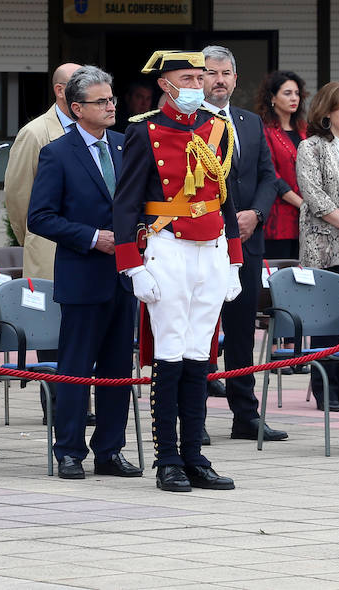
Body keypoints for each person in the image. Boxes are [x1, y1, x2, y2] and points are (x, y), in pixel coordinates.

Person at [113, 50, 243, 493]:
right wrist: (132, 266)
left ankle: (194, 455)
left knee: (200, 355)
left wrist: (235, 260)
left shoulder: (217, 126)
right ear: (166, 84)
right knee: (168, 354)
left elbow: (229, 198)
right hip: (167, 248)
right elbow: (126, 203)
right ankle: (167, 458)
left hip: (211, 249)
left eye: (199, 77)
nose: (196, 85)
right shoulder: (144, 129)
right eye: (187, 78)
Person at [27, 66, 142, 480]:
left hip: (125, 276)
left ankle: (110, 450)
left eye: (112, 99)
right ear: (77, 108)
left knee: (117, 370)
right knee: (75, 368)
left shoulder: (125, 145)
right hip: (82, 275)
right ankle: (69, 451)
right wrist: (93, 237)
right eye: (101, 101)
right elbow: (40, 217)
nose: (111, 106)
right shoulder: (57, 152)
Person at [201, 45, 286, 440]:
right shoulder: (188, 122)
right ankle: (192, 415)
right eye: (210, 73)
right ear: (198, 79)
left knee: (240, 331)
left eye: (225, 73)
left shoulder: (249, 122)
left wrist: (257, 214)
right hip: (202, 242)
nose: (219, 80)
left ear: (236, 79)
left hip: (247, 242)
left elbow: (269, 178)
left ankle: (245, 415)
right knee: (198, 330)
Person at [294, 81, 339, 412]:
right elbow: (314, 195)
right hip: (325, 244)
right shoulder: (312, 147)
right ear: (328, 111)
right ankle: (324, 387)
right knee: (327, 320)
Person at [5, 62, 81, 280]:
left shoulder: (95, 130)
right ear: (60, 90)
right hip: (49, 249)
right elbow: (18, 198)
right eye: (81, 84)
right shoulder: (34, 133)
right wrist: (32, 238)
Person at [256, 70, 307, 260]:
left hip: (307, 218)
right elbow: (272, 176)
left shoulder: (304, 129)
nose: (294, 98)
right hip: (280, 218)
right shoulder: (264, 130)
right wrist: (301, 203)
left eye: (296, 93)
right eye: (287, 93)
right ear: (273, 98)